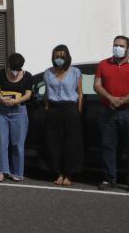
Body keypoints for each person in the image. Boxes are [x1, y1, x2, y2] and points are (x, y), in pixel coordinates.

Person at [94, 35, 129, 193]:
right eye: (115, 45)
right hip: (108, 110)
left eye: (121, 45)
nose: (117, 48)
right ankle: (109, 178)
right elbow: (97, 85)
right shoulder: (103, 64)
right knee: (107, 146)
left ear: (128, 48)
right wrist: (110, 98)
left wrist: (122, 100)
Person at [43, 43, 83, 186]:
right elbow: (47, 93)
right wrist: (47, 107)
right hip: (54, 110)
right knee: (54, 143)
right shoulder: (48, 72)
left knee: (71, 144)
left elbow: (80, 93)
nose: (59, 58)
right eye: (56, 56)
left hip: (70, 109)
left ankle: (69, 174)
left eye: (62, 56)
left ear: (67, 57)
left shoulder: (75, 72)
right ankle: (58, 173)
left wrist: (78, 111)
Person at [0, 52, 33, 182]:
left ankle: (17, 172)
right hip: (1, 111)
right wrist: (2, 99)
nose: (15, 72)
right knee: (1, 142)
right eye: (13, 68)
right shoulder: (1, 73)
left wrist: (16, 101)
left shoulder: (27, 76)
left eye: (17, 69)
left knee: (17, 143)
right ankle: (1, 171)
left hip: (19, 111)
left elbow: (28, 94)